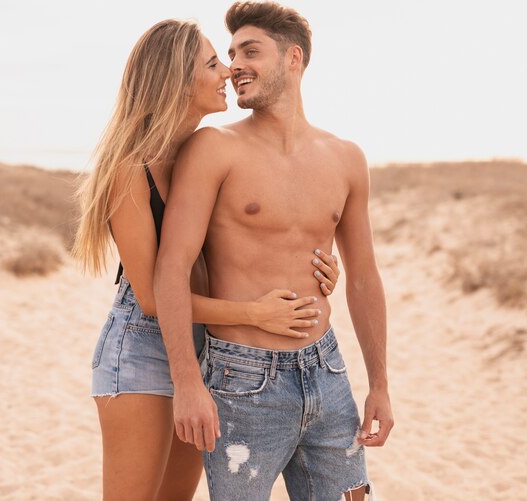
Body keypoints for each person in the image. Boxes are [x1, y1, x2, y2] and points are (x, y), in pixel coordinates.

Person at [72, 19, 340, 500]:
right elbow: (155, 298)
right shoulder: (129, 170)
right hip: (143, 348)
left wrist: (319, 266)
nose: (228, 72)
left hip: (210, 353)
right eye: (214, 63)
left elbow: (247, 241)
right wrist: (255, 313)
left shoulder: (203, 154)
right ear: (176, 78)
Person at [154, 2, 394, 500]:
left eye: (250, 50)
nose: (235, 63)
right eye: (231, 53)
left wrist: (380, 383)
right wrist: (187, 383)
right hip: (241, 379)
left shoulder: (346, 158)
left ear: (293, 59)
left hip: (327, 372)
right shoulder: (212, 149)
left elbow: (365, 275)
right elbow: (172, 267)